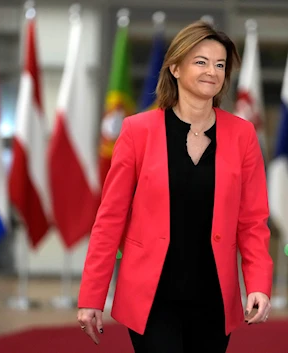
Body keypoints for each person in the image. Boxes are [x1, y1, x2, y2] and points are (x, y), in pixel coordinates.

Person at [77, 20, 273, 352]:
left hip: (214, 296)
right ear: (175, 68)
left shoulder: (242, 136)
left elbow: (252, 221)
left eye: (220, 64)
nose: (212, 71)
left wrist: (258, 284)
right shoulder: (137, 132)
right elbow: (109, 220)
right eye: (201, 61)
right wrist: (91, 295)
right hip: (152, 296)